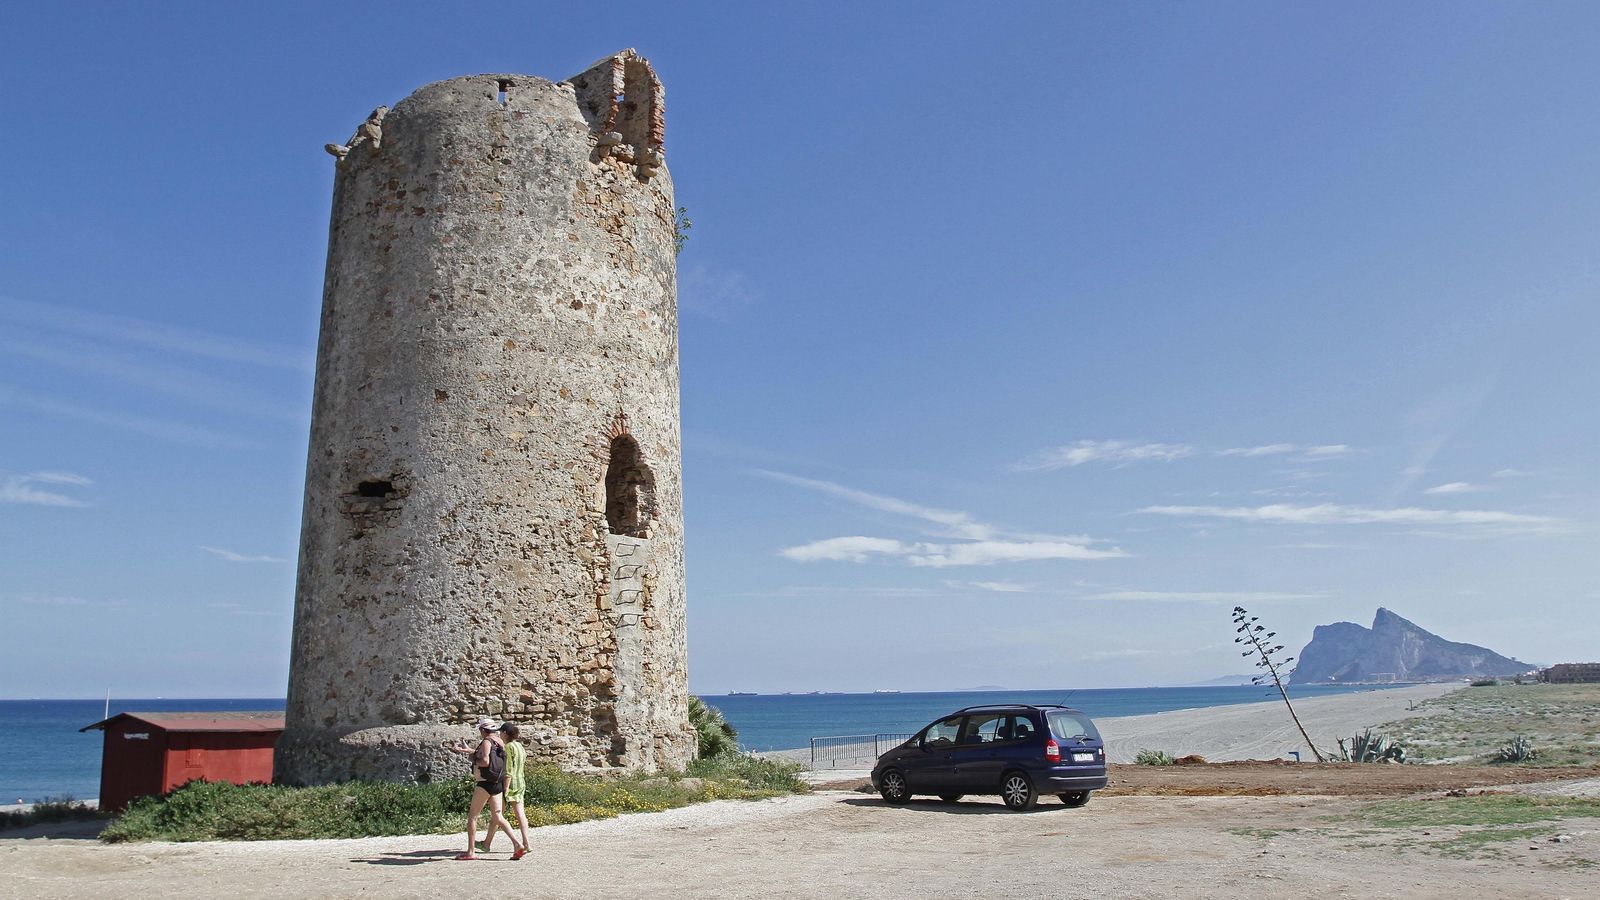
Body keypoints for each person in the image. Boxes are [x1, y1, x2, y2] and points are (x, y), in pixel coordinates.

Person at [446, 717, 525, 860]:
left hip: (485, 782)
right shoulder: (500, 742)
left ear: (483, 730)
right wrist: (468, 751)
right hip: (497, 782)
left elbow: (485, 761)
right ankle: (517, 844)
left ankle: (471, 852)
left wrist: (474, 760)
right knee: (498, 816)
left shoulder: (486, 742)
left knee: (472, 816)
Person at [479, 723, 530, 854]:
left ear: (505, 733)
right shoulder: (520, 746)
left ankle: (487, 844)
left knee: (497, 815)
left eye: (501, 732)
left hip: (509, 783)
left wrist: (505, 788)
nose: (499, 734)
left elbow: (508, 770)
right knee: (520, 814)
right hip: (520, 782)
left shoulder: (508, 747)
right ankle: (526, 843)